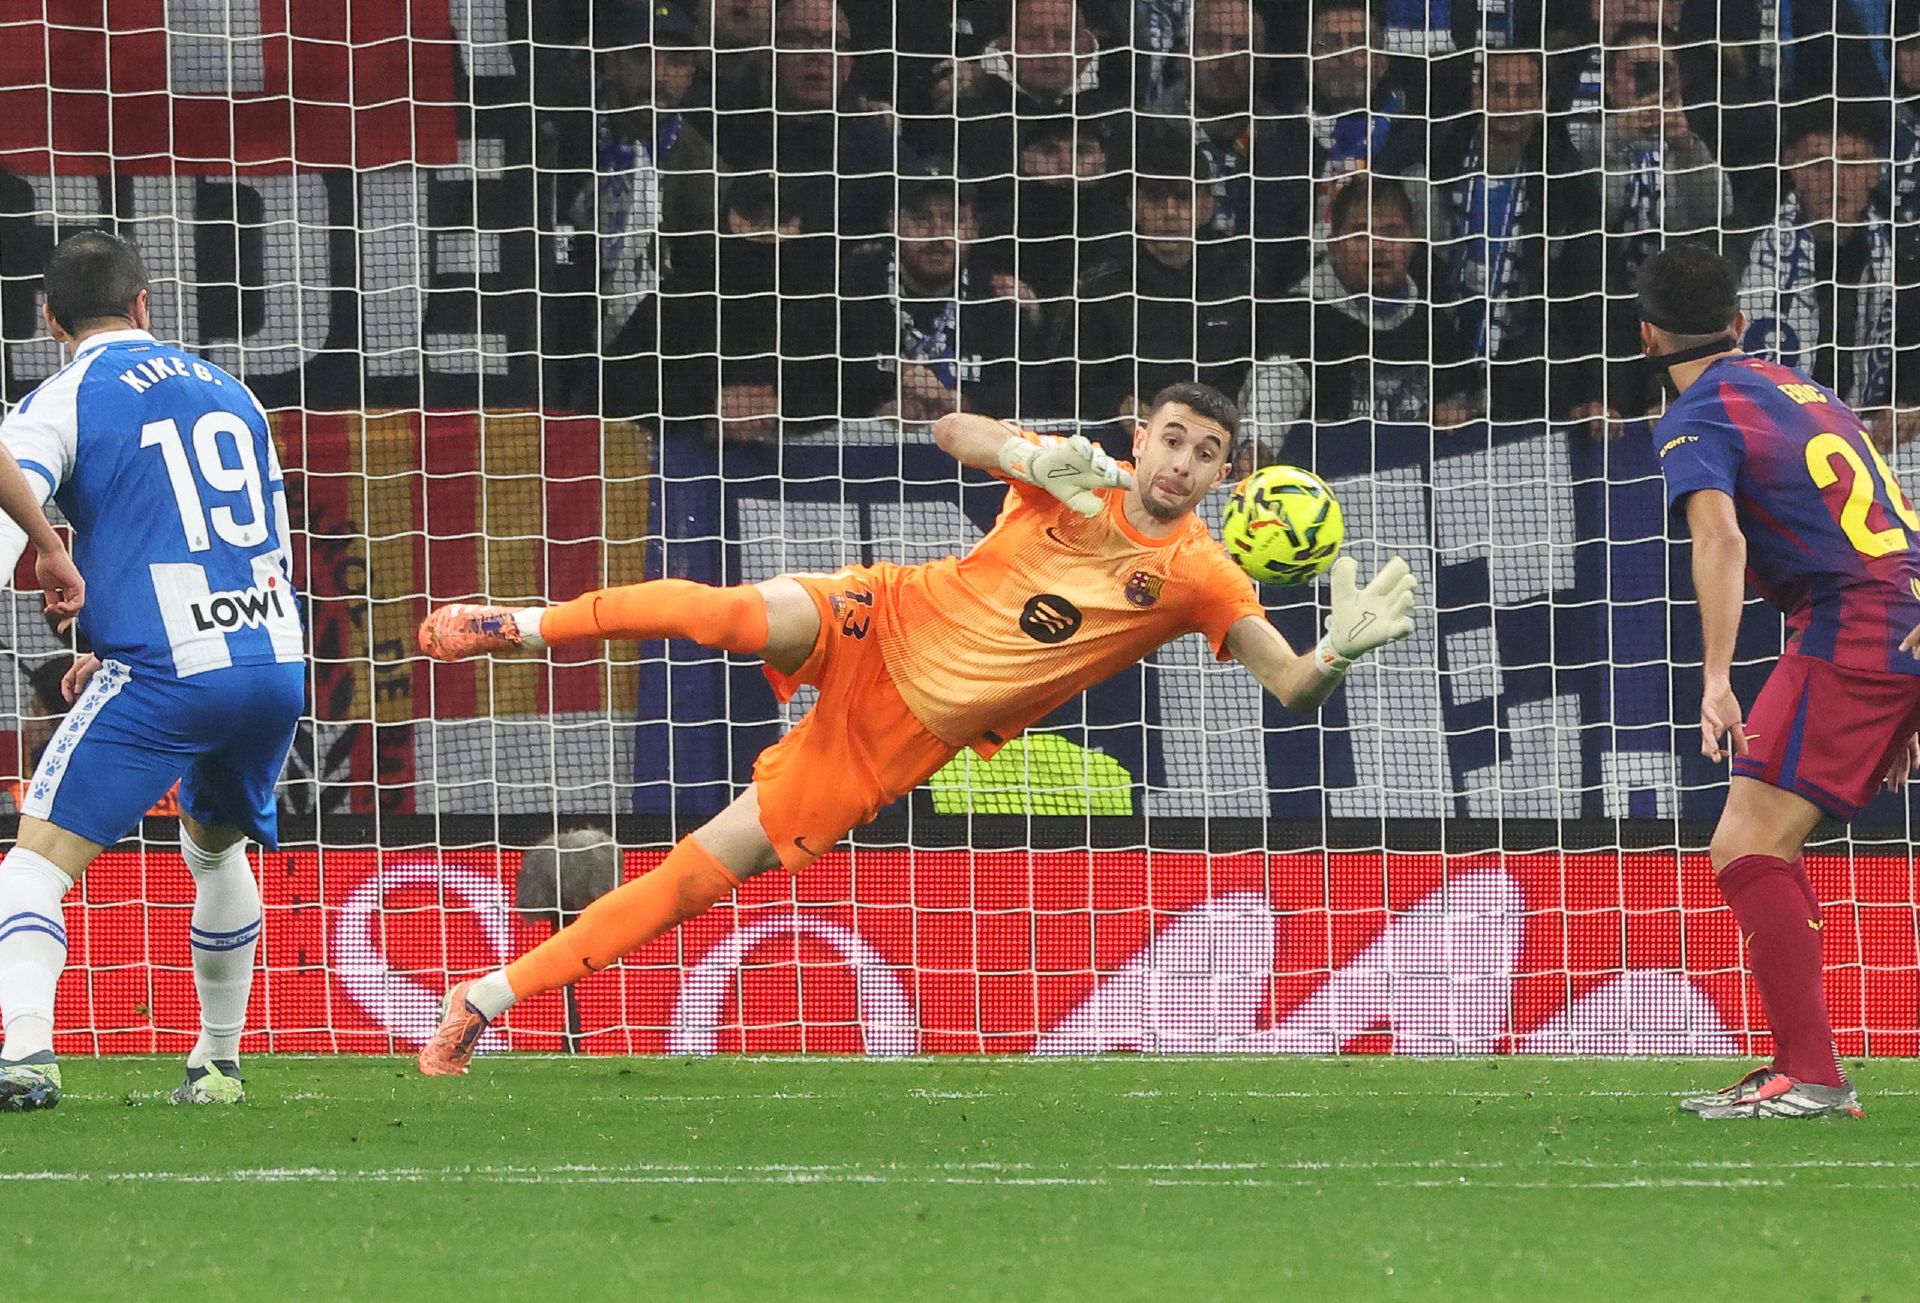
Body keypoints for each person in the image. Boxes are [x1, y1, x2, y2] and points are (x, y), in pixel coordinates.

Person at [410, 382, 1418, 1075]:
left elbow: (1290, 684)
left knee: (692, 879)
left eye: (1206, 453)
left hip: (895, 739)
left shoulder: (1203, 575)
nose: (1182, 462)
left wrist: (1336, 652)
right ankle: (517, 625)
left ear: (1227, 475)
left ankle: (481, 1001)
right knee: (726, 615)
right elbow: (951, 433)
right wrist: (1028, 452)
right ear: (1140, 435)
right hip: (884, 614)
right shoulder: (1078, 472)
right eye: (1173, 438)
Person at [0, 232, 306, 1111]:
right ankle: (218, 1065)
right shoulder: (233, 391)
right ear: (144, 304)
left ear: (51, 321)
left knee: (33, 866)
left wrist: (50, 551)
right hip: (271, 654)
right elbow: (262, 543)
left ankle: (28, 1055)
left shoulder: (61, 399)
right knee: (214, 847)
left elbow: (11, 500)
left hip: (170, 669)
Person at [1642, 243, 1920, 1120]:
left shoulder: (1694, 414)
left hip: (1852, 626)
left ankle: (1812, 1074)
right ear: (1738, 323)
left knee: (1746, 844)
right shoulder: (1809, 391)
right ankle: (1798, 1066)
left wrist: (1716, 676)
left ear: (1646, 336)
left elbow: (1720, 538)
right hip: (1897, 617)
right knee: (1763, 840)